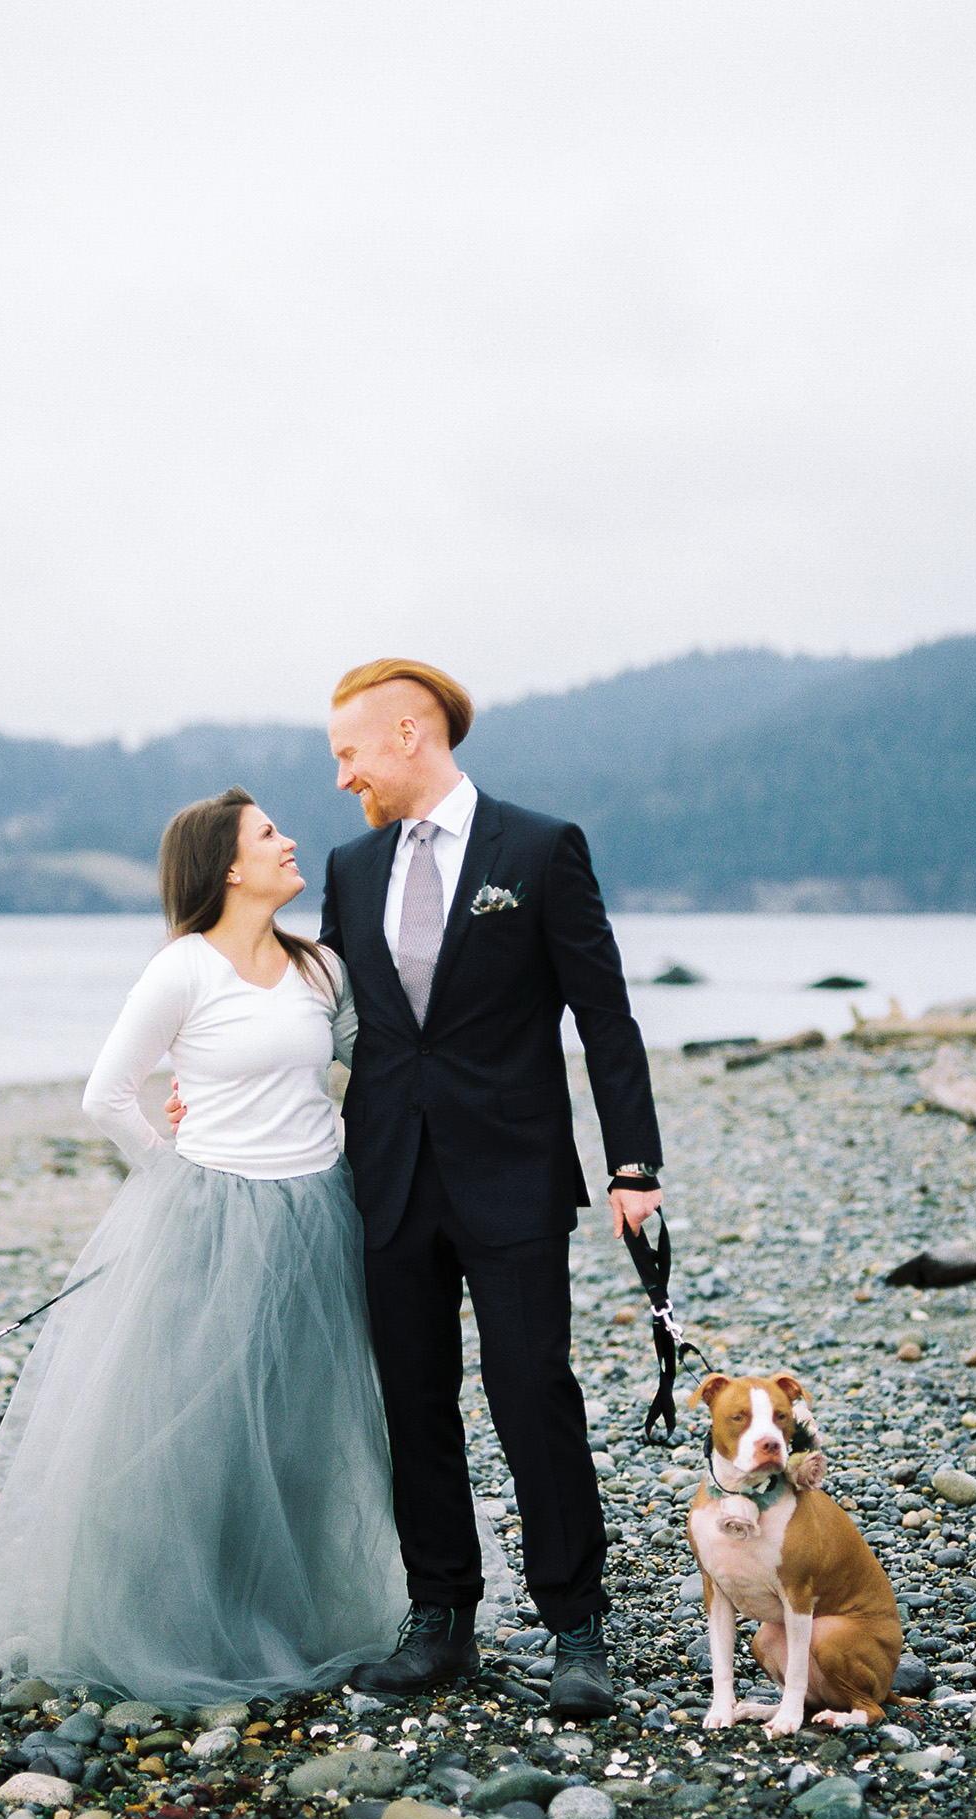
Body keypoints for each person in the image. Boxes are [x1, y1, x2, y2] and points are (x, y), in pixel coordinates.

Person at [0, 787, 406, 1705]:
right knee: (207, 1434)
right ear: (229, 866)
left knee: (306, 1434)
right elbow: (106, 1097)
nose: (291, 840)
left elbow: (372, 1066)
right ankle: (196, 1626)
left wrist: (347, 1136)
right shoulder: (181, 971)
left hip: (319, 1213)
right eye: (270, 834)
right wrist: (171, 1169)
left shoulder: (321, 968)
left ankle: (299, 1616)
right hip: (213, 1222)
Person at [319, 657, 664, 1718]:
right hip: (388, 1175)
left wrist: (633, 1163)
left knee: (530, 1387)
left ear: (411, 735)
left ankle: (575, 1623)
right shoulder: (350, 863)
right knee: (412, 1401)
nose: (341, 777)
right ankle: (441, 1618)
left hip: (513, 1170)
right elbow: (330, 1024)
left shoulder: (542, 847)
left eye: (350, 752)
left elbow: (604, 1015)